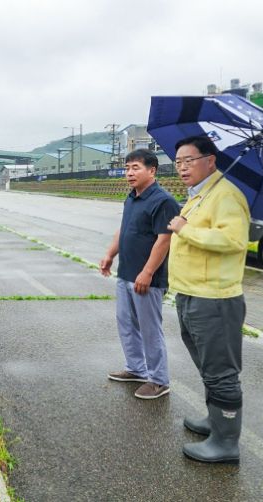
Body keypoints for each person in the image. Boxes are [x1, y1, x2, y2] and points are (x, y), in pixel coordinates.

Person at [167, 135, 250, 464]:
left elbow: (233, 239)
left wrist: (184, 229)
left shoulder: (226, 195)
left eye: (189, 160)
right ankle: (214, 420)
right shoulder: (201, 195)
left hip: (214, 299)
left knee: (220, 371)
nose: (182, 167)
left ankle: (226, 441)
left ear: (210, 161)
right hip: (191, 293)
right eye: (178, 162)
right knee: (207, 365)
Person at [100, 149, 180, 399]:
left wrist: (147, 272)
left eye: (135, 167)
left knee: (149, 329)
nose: (129, 173)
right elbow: (124, 228)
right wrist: (110, 254)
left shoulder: (163, 201)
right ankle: (135, 368)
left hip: (148, 279)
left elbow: (164, 240)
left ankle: (158, 380)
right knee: (126, 323)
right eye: (127, 168)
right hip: (126, 273)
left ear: (152, 170)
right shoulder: (132, 197)